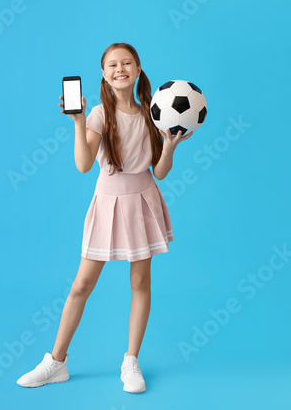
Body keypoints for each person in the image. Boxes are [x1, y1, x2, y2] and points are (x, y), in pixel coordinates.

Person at [17, 42, 192, 393]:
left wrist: (170, 147)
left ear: (139, 69)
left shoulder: (154, 113)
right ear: (103, 74)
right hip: (108, 201)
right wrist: (78, 123)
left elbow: (159, 173)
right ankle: (56, 361)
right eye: (112, 64)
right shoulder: (98, 114)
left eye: (127, 62)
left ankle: (131, 361)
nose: (119, 68)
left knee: (140, 282)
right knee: (82, 285)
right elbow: (83, 165)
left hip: (142, 200)